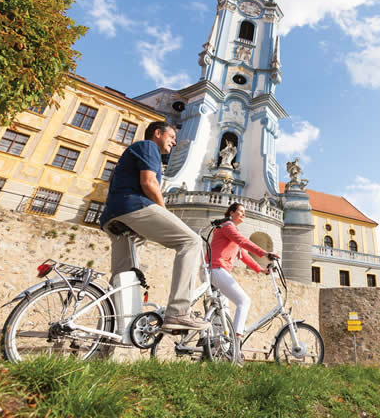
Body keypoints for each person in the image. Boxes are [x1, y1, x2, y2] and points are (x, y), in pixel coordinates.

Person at [99, 121, 210, 331]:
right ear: (157, 133)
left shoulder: (135, 151)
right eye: (171, 137)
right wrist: (163, 211)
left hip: (113, 215)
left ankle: (108, 334)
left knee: (124, 277)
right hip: (133, 207)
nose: (174, 142)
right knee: (191, 241)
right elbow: (149, 182)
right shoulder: (148, 146)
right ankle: (178, 312)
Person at [210, 202, 278, 342]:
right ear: (231, 213)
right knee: (244, 301)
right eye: (241, 211)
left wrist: (261, 269)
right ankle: (237, 339)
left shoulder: (232, 230)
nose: (244, 214)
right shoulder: (227, 226)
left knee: (224, 314)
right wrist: (265, 253)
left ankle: (220, 346)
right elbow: (242, 241)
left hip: (217, 271)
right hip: (216, 269)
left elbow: (244, 255)